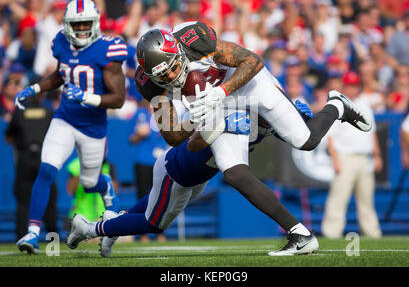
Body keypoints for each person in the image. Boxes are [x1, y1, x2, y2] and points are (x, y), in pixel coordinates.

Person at [132, 22, 373, 254]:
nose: (173, 76)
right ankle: (299, 234)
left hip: (245, 82)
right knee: (234, 172)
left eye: (173, 66)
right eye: (163, 75)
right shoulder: (148, 83)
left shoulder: (193, 38)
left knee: (306, 141)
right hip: (221, 104)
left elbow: (252, 61)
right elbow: (172, 135)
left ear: (177, 51)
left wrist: (221, 91)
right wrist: (193, 119)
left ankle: (336, 106)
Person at [67, 106, 317, 258]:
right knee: (155, 223)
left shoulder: (258, 122)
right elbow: (193, 140)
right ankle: (90, 228)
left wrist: (291, 118)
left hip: (197, 177)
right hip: (176, 171)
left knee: (152, 204)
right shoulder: (228, 113)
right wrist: (221, 125)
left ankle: (114, 225)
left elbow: (274, 128)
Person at [14, 0, 126, 255]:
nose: (83, 29)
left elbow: (118, 99)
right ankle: (32, 233)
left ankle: (105, 185)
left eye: (87, 23)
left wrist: (86, 97)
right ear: (67, 25)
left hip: (93, 127)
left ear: (96, 23)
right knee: (46, 170)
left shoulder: (108, 49)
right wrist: (35, 88)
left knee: (89, 183)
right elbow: (60, 75)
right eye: (77, 24)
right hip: (65, 118)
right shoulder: (61, 42)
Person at [321, 72, 383, 239]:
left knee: (366, 199)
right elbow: (330, 136)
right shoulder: (339, 105)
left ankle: (372, 233)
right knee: (338, 198)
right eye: (349, 84)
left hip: (365, 158)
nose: (352, 88)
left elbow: (372, 132)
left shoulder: (364, 103)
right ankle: (331, 232)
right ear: (344, 85)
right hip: (345, 157)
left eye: (354, 85)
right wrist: (335, 159)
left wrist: (377, 155)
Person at [5, 86, 57, 241]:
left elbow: (9, 136)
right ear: (43, 95)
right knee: (48, 197)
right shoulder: (48, 112)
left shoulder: (20, 111)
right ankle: (52, 238)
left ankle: (21, 237)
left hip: (25, 158)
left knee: (24, 200)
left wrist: (21, 148)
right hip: (44, 158)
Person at [129, 98, 168, 242]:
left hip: (161, 160)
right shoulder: (139, 113)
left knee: (162, 197)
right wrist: (139, 134)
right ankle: (143, 233)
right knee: (142, 196)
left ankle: (160, 232)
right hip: (143, 161)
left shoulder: (165, 114)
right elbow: (131, 139)